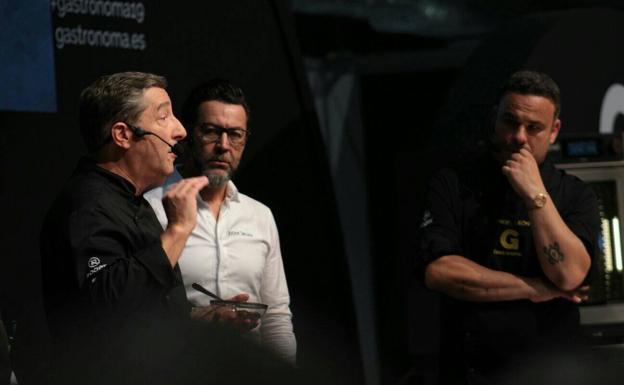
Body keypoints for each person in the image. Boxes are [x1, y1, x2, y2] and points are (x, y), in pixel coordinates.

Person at [416, 70, 600, 385]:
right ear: (495, 118)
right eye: (510, 122)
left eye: (534, 128)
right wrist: (537, 288)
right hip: (473, 373)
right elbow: (441, 273)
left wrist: (534, 195)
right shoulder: (453, 184)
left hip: (552, 373)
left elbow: (569, 275)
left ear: (554, 131)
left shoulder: (575, 194)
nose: (519, 137)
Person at [40, 72, 208, 382]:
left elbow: (140, 310)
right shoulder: (88, 205)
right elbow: (108, 304)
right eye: (163, 116)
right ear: (123, 135)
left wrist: (191, 321)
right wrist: (178, 230)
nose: (181, 130)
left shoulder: (130, 199)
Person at [145, 79, 297, 364]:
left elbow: (277, 316)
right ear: (188, 134)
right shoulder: (152, 207)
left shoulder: (259, 215)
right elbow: (138, 309)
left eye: (235, 134)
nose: (223, 146)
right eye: (211, 132)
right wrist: (195, 320)